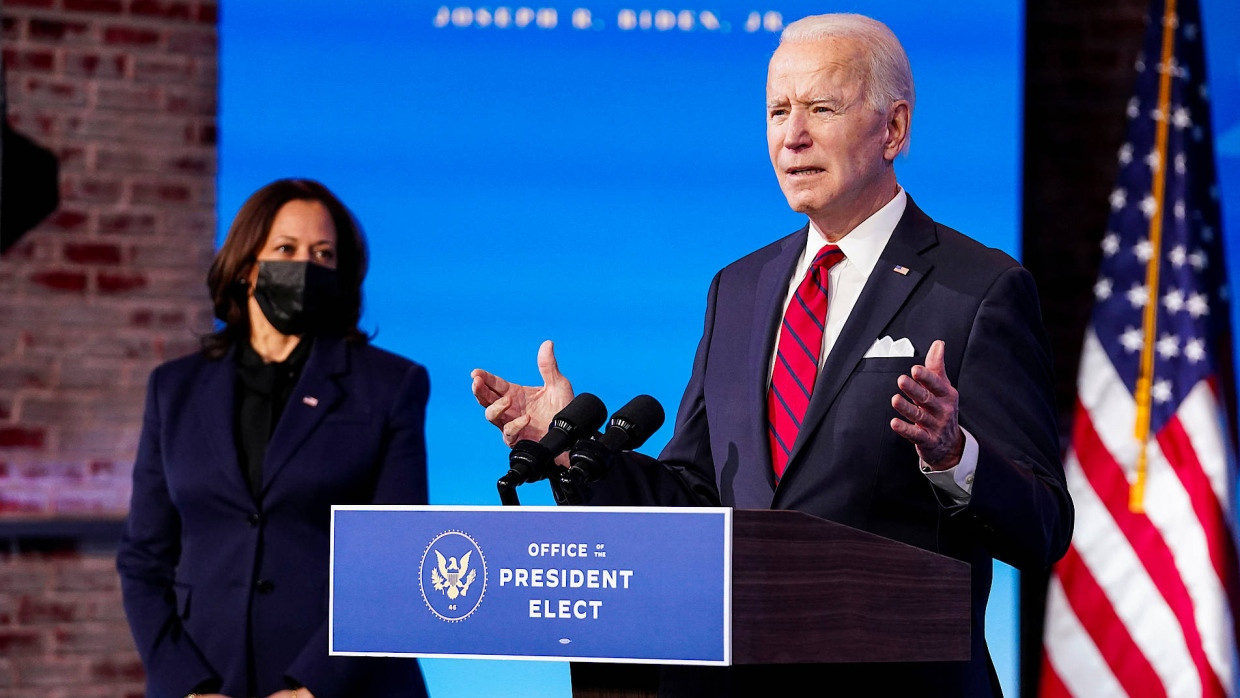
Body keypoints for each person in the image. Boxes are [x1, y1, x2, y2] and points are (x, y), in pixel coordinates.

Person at [471, 13, 1073, 697]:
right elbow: (695, 493)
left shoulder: (979, 289)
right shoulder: (739, 287)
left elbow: (1043, 527)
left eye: (821, 108)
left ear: (894, 129)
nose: (792, 136)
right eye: (777, 111)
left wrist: (952, 456)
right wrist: (566, 452)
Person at [117, 179, 431, 698]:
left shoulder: (390, 386)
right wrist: (185, 683)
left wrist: (314, 686)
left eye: (323, 254)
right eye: (285, 249)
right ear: (244, 266)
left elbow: (398, 558)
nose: (304, 267)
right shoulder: (173, 389)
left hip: (346, 684)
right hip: (208, 678)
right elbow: (143, 557)